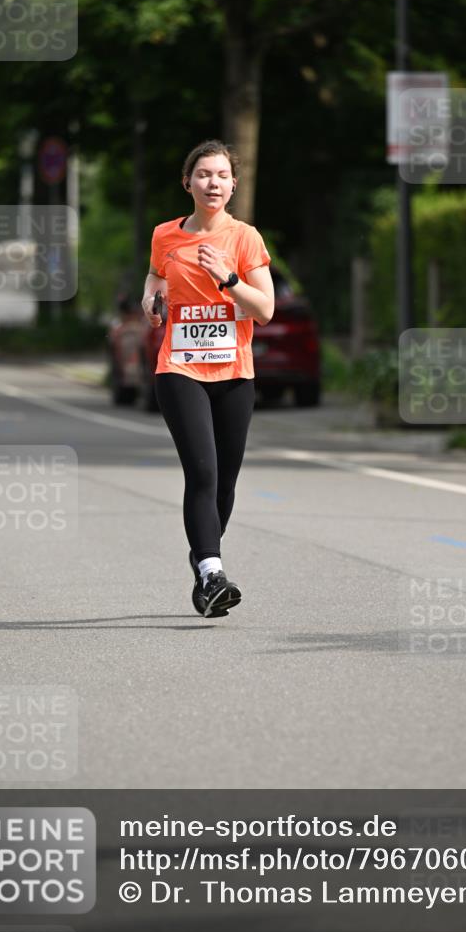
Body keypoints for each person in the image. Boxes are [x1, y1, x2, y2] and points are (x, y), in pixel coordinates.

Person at [141, 139, 274, 618]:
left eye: (221, 175)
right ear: (187, 183)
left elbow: (265, 309)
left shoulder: (245, 238)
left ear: (233, 184)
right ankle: (214, 572)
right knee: (203, 471)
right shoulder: (165, 235)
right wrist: (151, 302)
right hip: (180, 368)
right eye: (203, 174)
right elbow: (155, 278)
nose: (212, 183)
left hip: (234, 372)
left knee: (225, 483)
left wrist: (229, 279)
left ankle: (202, 561)